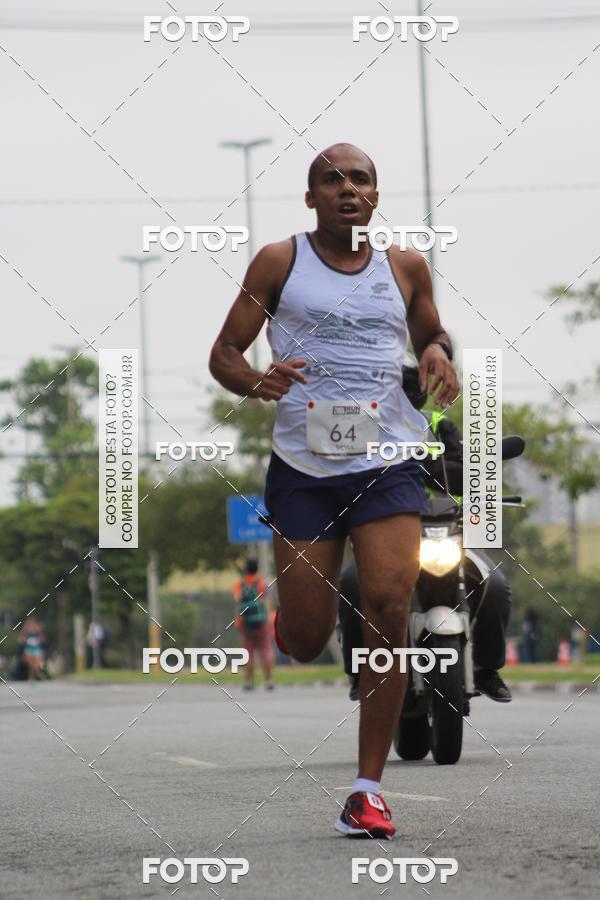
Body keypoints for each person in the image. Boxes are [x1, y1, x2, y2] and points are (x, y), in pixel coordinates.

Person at [210, 143, 459, 838]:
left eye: (360, 179)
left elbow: (433, 331)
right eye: (332, 179)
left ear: (375, 195)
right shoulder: (278, 262)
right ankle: (304, 612)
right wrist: (254, 379)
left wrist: (435, 350)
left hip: (387, 461)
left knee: (390, 603)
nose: (347, 188)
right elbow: (224, 353)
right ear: (311, 197)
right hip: (304, 470)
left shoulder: (404, 266)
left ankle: (367, 790)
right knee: (304, 638)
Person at [339, 363, 512, 703]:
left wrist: (433, 465)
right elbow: (345, 474)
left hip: (445, 532)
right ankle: (359, 671)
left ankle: (486, 668)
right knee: (349, 582)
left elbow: (465, 473)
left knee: (495, 585)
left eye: (414, 386)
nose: (408, 394)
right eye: (399, 387)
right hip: (384, 538)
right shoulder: (363, 427)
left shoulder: (439, 425)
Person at [233, 559, 275, 691]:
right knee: (266, 651)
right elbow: (267, 598)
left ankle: (248, 682)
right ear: (257, 569)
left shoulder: (239, 584)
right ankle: (269, 681)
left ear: (246, 570)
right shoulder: (262, 583)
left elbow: (237, 599)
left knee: (248, 653)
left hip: (245, 624)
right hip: (261, 623)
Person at [18, 615, 46, 681]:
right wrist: (23, 640)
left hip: (36, 647)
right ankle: (31, 677)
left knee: (37, 664)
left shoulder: (38, 627)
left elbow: (42, 636)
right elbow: (21, 637)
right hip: (29, 647)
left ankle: (36, 675)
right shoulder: (26, 628)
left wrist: (41, 639)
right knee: (30, 664)